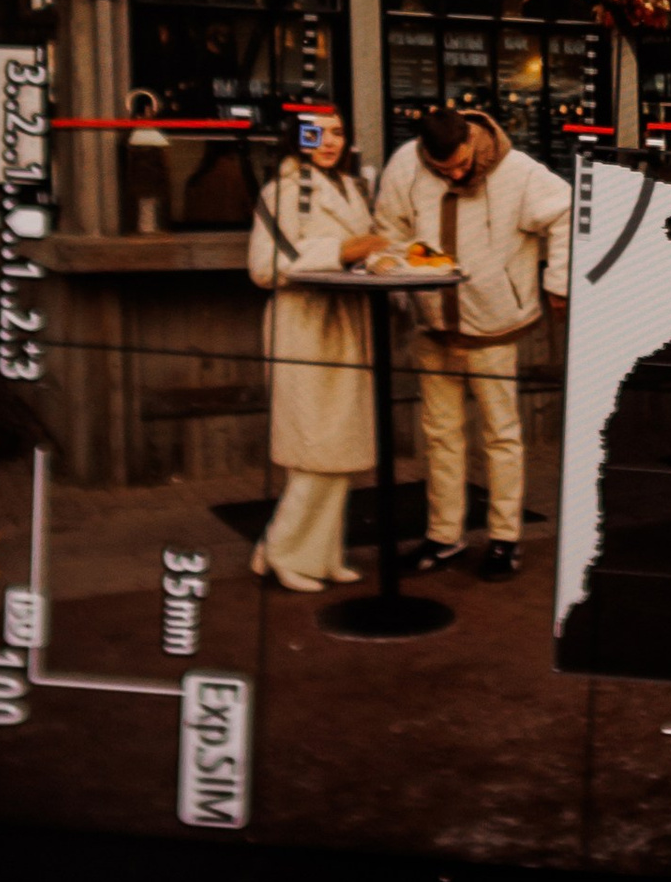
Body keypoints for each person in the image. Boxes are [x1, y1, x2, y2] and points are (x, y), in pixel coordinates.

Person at [374, 105, 570, 580]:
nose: (456, 174)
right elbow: (390, 229)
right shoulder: (405, 163)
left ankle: (505, 540)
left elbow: (568, 210)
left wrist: (558, 280)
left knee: (500, 434)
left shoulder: (517, 171)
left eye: (461, 165)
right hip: (433, 322)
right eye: (444, 171)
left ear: (472, 142)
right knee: (440, 435)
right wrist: (405, 284)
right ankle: (445, 536)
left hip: (492, 323)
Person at [244, 107, 379, 592]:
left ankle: (319, 556)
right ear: (295, 139)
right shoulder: (281, 193)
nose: (329, 141)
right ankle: (286, 554)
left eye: (338, 131)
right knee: (316, 449)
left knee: (338, 448)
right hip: (304, 327)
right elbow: (263, 267)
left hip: (344, 324)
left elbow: (361, 249)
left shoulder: (351, 188)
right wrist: (341, 253)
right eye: (315, 133)